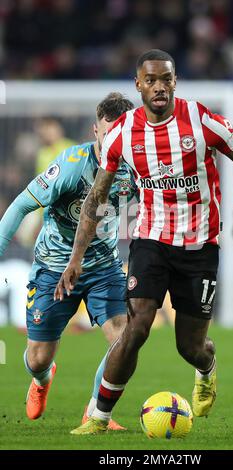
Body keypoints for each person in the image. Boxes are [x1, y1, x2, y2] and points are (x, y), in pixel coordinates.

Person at [55, 49, 233, 435]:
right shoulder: (122, 133)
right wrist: (75, 258)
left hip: (201, 247)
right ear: (139, 85)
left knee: (190, 346)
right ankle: (98, 417)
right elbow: (96, 199)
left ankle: (206, 367)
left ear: (174, 82)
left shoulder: (201, 121)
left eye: (166, 78)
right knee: (137, 328)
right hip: (150, 241)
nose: (159, 86)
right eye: (150, 80)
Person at [0, 92, 136, 429]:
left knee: (125, 339)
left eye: (122, 134)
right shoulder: (71, 165)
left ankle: (95, 411)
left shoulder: (135, 168)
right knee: (38, 357)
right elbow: (20, 206)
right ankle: (43, 379)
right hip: (53, 268)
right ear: (95, 132)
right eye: (108, 134)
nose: (114, 141)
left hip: (104, 268)